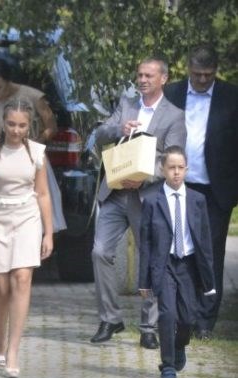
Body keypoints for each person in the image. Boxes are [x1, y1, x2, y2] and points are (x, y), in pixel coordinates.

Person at [89, 57, 187, 349]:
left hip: (147, 196)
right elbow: (99, 135)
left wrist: (143, 177)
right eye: (140, 75)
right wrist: (119, 129)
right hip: (115, 192)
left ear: (163, 79)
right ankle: (110, 318)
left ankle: (149, 327)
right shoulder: (126, 105)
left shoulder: (174, 116)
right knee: (100, 252)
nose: (142, 80)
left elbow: (174, 159)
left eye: (149, 76)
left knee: (152, 259)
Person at [0, 99, 54, 378]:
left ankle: (14, 350)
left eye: (22, 126)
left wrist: (49, 232)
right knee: (2, 287)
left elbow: (43, 194)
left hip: (27, 218)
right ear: (2, 123)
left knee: (22, 278)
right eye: (11, 124)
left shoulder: (37, 153)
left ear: (30, 126)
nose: (16, 130)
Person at [163, 44, 238, 340]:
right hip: (179, 184)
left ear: (216, 71)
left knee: (210, 254)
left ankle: (205, 320)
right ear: (188, 69)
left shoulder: (231, 97)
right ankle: (182, 313)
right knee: (178, 250)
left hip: (216, 189)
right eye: (197, 74)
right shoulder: (172, 93)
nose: (203, 80)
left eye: (208, 74)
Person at [138, 145, 216, 378]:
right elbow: (146, 243)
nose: (176, 172)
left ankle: (179, 345)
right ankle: (168, 366)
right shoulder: (152, 201)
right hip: (164, 264)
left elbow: (205, 242)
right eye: (171, 167)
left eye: (180, 167)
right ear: (162, 169)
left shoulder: (197, 200)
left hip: (188, 265)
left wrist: (209, 280)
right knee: (167, 314)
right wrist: (143, 281)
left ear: (187, 169)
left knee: (188, 318)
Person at [0, 57, 66, 233]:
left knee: (39, 207)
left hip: (31, 157)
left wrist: (34, 145)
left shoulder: (32, 95)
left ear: (8, 80)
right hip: (3, 158)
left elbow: (51, 126)